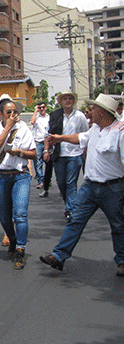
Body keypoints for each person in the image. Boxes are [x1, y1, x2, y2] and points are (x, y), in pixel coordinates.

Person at [40, 94, 124, 277]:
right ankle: (59, 256)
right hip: (90, 187)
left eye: (94, 109)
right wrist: (60, 138)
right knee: (75, 220)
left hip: (113, 188)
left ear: (102, 112)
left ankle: (122, 260)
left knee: (118, 226)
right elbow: (80, 137)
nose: (91, 112)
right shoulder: (95, 129)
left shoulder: (120, 131)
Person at [0, 96, 36, 269]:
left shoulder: (24, 129)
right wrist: (7, 128)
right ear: (1, 114)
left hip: (20, 175)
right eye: (9, 112)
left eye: (16, 112)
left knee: (20, 214)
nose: (13, 115)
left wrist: (20, 153)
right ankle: (12, 238)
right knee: (5, 216)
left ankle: (21, 249)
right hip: (1, 175)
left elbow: (33, 153)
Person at [43, 91, 88, 222]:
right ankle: (68, 201)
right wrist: (46, 151)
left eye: (70, 99)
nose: (68, 101)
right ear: (61, 102)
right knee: (61, 182)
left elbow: (85, 136)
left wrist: (86, 153)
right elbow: (48, 135)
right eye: (65, 99)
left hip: (75, 154)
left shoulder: (80, 116)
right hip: (59, 154)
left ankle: (71, 209)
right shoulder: (55, 115)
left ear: (74, 101)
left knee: (71, 182)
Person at [31, 101, 50, 190]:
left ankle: (47, 180)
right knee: (38, 162)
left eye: (43, 107)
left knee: (48, 162)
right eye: (40, 108)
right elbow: (32, 122)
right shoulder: (37, 117)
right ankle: (41, 180)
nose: (41, 109)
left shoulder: (49, 117)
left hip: (47, 142)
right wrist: (35, 111)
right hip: (38, 141)